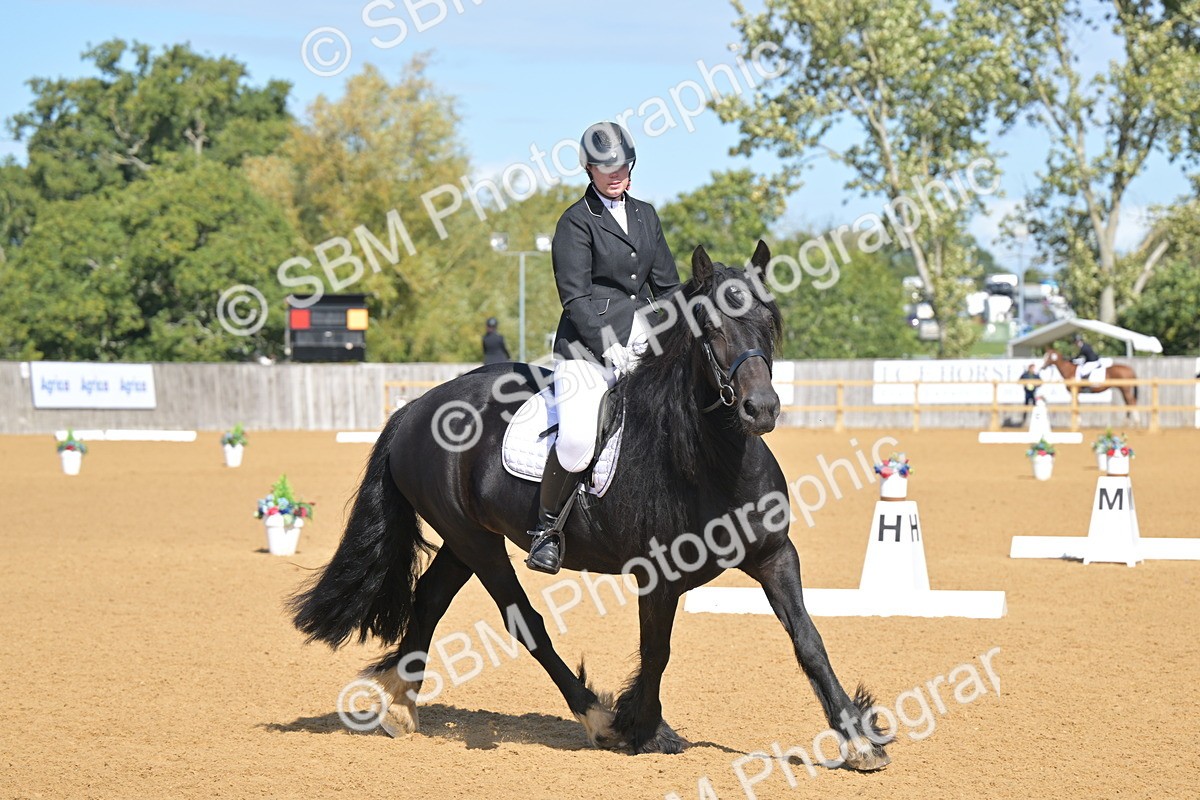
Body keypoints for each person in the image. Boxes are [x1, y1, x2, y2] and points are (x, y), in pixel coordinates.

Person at [524, 121, 681, 574]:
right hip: (587, 349)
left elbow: (668, 287)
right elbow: (574, 297)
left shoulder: (647, 215)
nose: (618, 174)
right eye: (607, 167)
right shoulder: (575, 222)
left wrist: (675, 338)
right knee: (575, 441)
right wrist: (607, 344)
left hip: (644, 343)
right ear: (589, 169)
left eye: (624, 165)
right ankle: (546, 531)